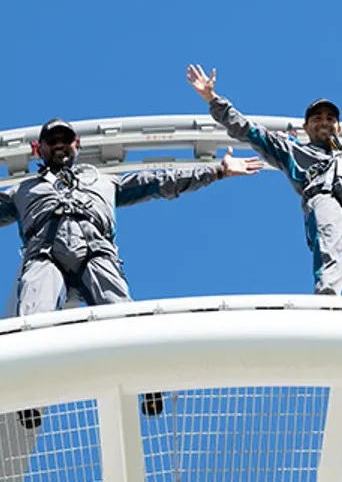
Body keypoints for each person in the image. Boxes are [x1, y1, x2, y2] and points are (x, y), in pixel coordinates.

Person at [0, 118, 262, 422]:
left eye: (65, 139)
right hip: (45, 254)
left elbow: (160, 182)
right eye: (52, 141)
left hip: (95, 251)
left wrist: (216, 170)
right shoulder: (22, 191)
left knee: (119, 312)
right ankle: (30, 392)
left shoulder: (103, 181)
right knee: (33, 315)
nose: (59, 145)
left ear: (76, 144)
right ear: (39, 148)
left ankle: (148, 383)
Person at [187, 58, 342, 299]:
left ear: (339, 127)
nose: (325, 122)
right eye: (317, 118)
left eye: (331, 119)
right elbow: (249, 131)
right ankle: (328, 292)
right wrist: (213, 99)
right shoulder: (293, 151)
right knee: (329, 237)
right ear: (305, 128)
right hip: (323, 195)